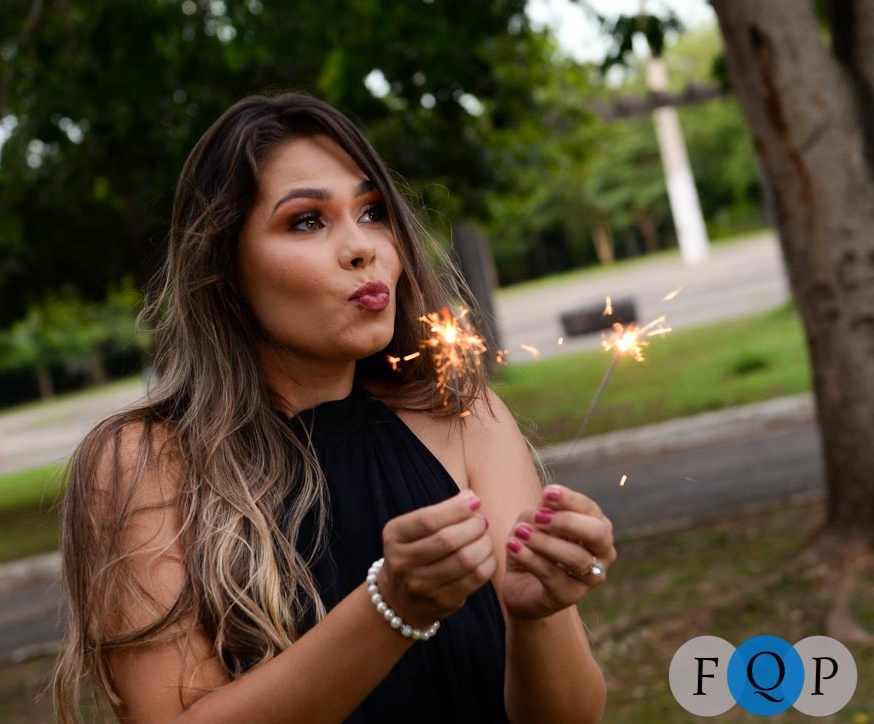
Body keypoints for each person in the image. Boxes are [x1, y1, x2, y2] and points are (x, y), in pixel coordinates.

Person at [53, 92, 616, 723]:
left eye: (373, 212)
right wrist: (389, 608)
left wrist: (539, 618)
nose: (361, 247)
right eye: (306, 221)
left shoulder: (462, 414)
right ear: (226, 267)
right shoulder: (145, 463)